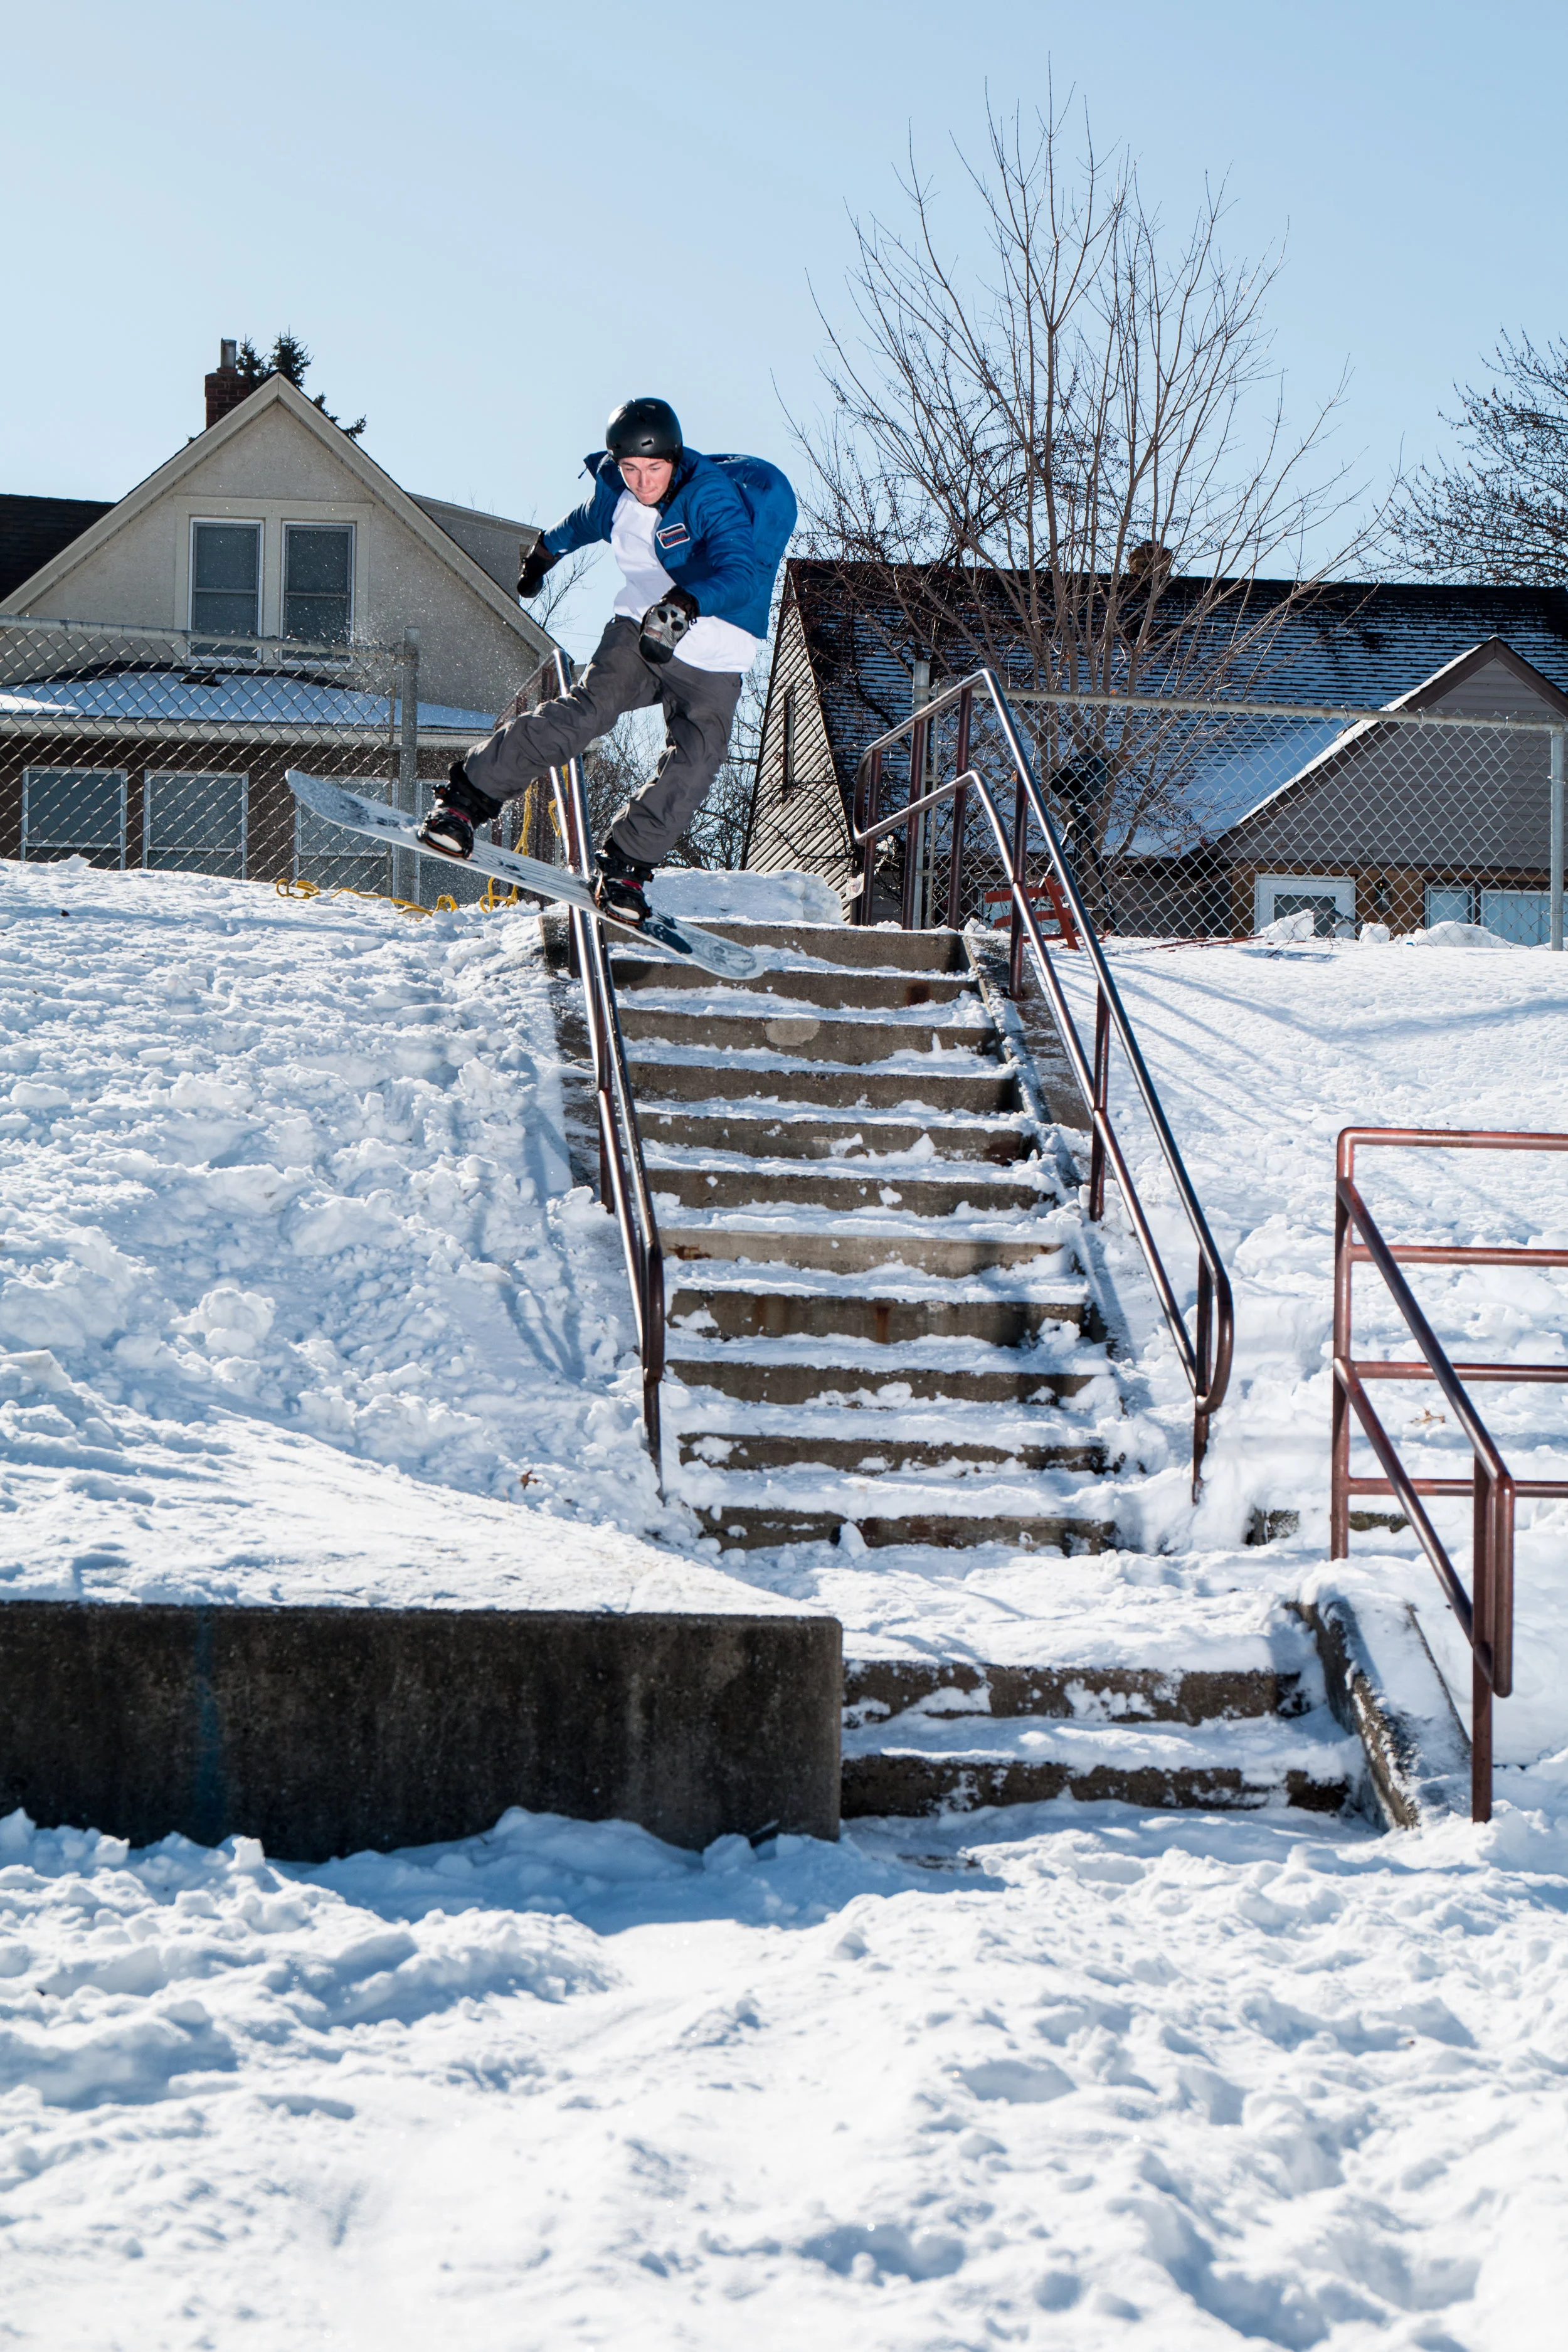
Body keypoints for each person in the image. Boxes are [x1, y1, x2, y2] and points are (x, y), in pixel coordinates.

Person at [418, 398, 796, 925]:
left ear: (676, 459)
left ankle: (627, 866)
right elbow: (583, 522)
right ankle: (464, 800)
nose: (643, 483)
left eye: (655, 469)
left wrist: (683, 607)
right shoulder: (618, 492)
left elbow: (740, 573)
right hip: (640, 632)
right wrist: (543, 555)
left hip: (713, 651)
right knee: (586, 713)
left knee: (699, 759)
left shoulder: (712, 496)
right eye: (631, 470)